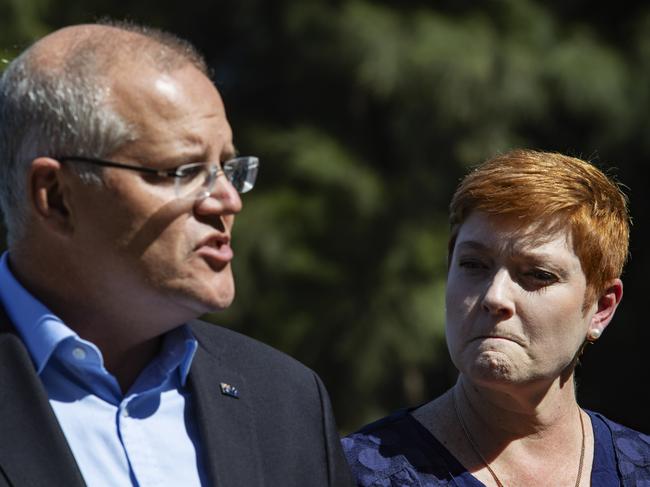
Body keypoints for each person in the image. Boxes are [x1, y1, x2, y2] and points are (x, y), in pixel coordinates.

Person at [0, 22, 353, 486]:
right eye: (183, 171)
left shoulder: (285, 400)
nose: (228, 199)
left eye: (226, 167)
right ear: (56, 196)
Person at [343, 149, 650, 486]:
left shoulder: (639, 470)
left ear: (601, 308)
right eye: (473, 265)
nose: (494, 296)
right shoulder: (357, 474)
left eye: (538, 274)